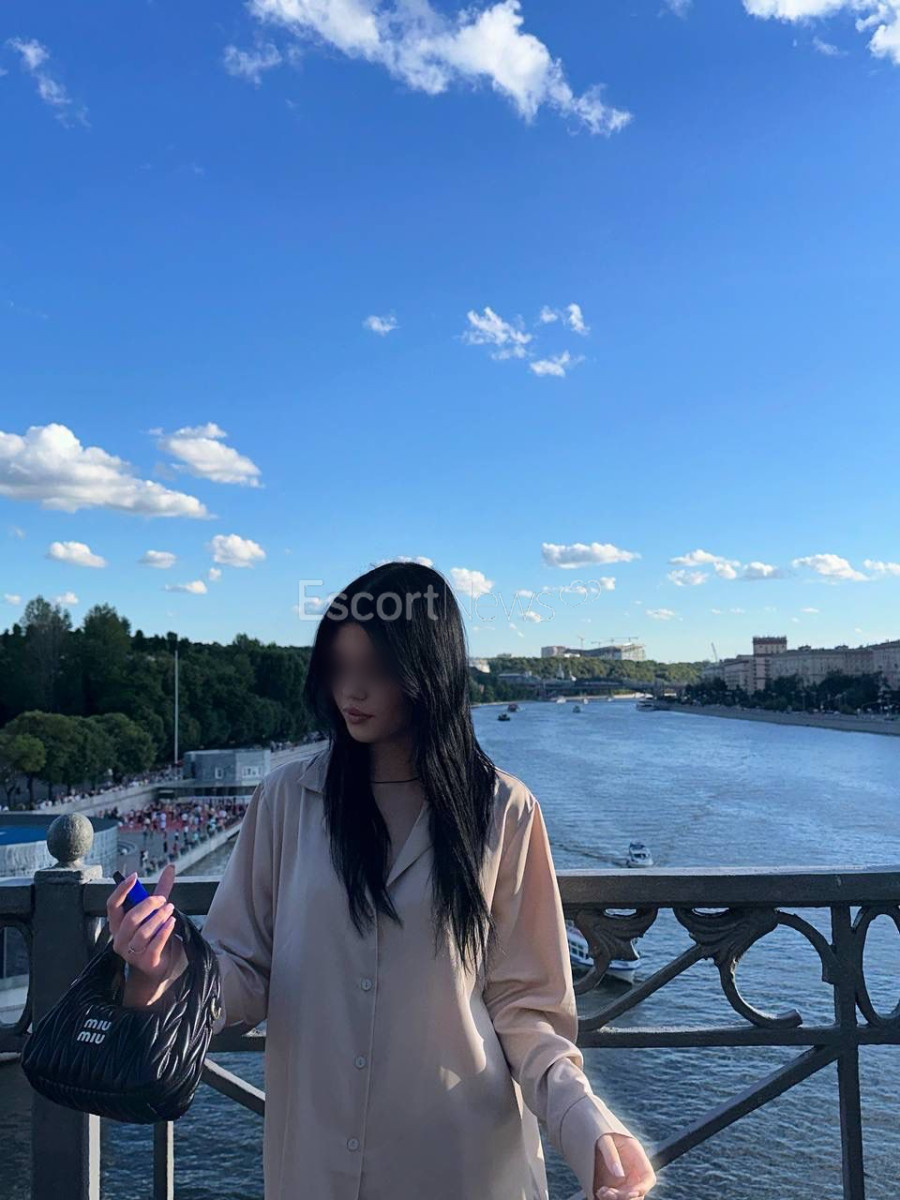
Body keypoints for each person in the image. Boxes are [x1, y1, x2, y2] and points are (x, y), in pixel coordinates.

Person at [104, 562, 656, 1200]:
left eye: (377, 668)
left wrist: (590, 1127)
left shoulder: (504, 811)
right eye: (340, 666)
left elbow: (525, 1011)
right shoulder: (286, 800)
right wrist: (164, 969)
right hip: (314, 1165)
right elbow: (246, 972)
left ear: (429, 671)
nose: (352, 690)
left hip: (464, 1167)